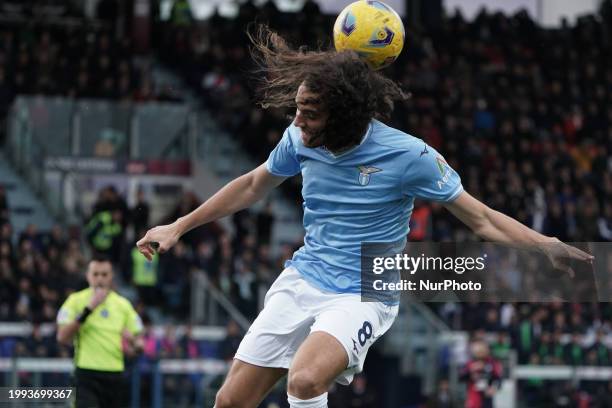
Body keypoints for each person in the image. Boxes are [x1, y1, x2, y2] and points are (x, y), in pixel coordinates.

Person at [136, 26, 594, 408]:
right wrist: (179, 226)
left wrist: (546, 246)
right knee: (229, 403)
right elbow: (254, 185)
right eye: (297, 108)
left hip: (364, 289)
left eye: (310, 113)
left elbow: (482, 220)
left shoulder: (408, 155)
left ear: (344, 116)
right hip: (304, 277)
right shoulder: (299, 138)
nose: (298, 121)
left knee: (304, 380)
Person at [56, 254, 143, 408]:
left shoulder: (123, 305)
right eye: (95, 274)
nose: (100, 279)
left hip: (114, 374)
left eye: (104, 274)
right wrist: (88, 309)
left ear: (111, 277)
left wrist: (133, 343)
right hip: (86, 374)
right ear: (88, 276)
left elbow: (140, 344)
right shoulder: (75, 301)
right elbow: (62, 337)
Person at [460, 340, 502, 408]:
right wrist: (471, 370)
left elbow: (498, 379)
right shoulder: (470, 363)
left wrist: (493, 388)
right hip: (473, 398)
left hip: (486, 398)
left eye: (482, 349)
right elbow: (461, 377)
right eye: (478, 350)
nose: (480, 352)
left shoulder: (492, 363)